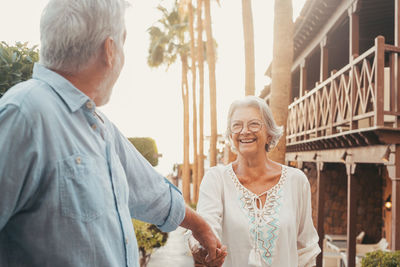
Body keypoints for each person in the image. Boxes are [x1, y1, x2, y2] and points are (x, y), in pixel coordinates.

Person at [0, 0, 226, 266]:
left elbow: (151, 192)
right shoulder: (24, 113)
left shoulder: (99, 126)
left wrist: (201, 227)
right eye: (123, 43)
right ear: (109, 50)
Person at [189, 96, 320, 267]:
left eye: (254, 124)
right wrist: (203, 246)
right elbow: (207, 224)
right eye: (237, 125)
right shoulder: (216, 179)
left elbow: (306, 250)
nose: (244, 131)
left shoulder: (296, 181)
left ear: (269, 133)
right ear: (231, 135)